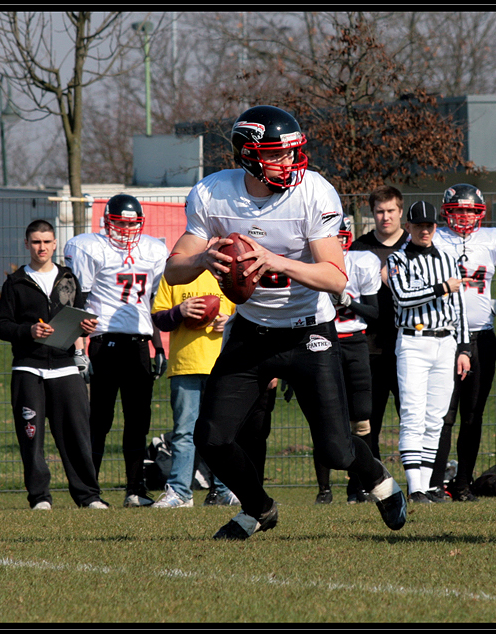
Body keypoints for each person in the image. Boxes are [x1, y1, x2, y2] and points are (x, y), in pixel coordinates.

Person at [164, 105, 407, 540]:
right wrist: (203, 258)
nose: (289, 163)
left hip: (309, 329)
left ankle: (378, 479)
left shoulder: (313, 192)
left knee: (335, 449)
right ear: (248, 155)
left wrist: (275, 260)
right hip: (253, 332)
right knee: (212, 437)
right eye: (277, 154)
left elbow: (334, 277)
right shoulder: (212, 193)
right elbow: (174, 269)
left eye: (293, 152)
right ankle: (259, 509)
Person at [0, 219, 107, 510]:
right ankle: (40, 498)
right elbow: (1, 326)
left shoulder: (68, 278)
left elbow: (79, 316)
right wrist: (28, 331)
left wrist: (85, 326)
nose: (41, 247)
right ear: (27, 244)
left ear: (55, 243)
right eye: (35, 242)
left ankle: (88, 496)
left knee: (76, 435)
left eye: (46, 242)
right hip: (28, 368)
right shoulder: (16, 282)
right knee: (31, 436)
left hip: (66, 367)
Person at [429, 183, 496, 502]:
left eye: (469, 211)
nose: (463, 217)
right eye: (457, 210)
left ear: (481, 213)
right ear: (447, 212)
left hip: (480, 335)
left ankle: (461, 483)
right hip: (443, 335)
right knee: (442, 414)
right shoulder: (432, 238)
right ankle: (433, 484)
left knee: (473, 414)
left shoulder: (493, 239)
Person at [64, 194, 169, 508]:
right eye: (120, 223)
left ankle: (135, 490)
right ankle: (89, 493)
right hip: (104, 343)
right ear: (107, 221)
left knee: (138, 420)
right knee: (100, 419)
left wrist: (158, 346)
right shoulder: (90, 247)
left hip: (138, 345)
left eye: (132, 223)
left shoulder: (152, 251)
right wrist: (77, 348)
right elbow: (77, 303)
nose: (126, 229)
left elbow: (150, 304)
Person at [387, 200, 471, 503]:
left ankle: (427, 485)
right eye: (419, 225)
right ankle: (415, 487)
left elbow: (458, 306)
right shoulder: (398, 259)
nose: (425, 230)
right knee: (412, 412)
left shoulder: (447, 258)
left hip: (445, 340)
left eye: (430, 225)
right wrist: (441, 288)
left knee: (437, 416)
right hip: (413, 340)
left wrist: (464, 347)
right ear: (407, 227)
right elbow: (403, 296)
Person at [150, 270, 242, 509]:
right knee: (184, 432)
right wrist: (179, 311)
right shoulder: (173, 275)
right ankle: (180, 493)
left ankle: (224, 490)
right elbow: (158, 319)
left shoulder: (229, 276)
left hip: (223, 365)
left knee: (221, 433)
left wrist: (231, 322)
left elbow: (248, 315)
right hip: (185, 366)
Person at [312, 214, 381, 505]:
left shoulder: (362, 262)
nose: (337, 242)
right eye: (333, 236)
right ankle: (324, 491)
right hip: (321, 343)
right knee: (322, 419)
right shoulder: (310, 261)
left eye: (341, 236)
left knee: (362, 417)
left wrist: (348, 301)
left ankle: (359, 485)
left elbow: (376, 314)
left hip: (354, 342)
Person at [349, 186, 410, 466]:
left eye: (390, 211)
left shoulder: (414, 244)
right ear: (372, 213)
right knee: (367, 418)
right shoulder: (359, 247)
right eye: (379, 211)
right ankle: (366, 480)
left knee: (409, 414)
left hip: (409, 345)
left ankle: (419, 482)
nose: (385, 217)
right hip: (369, 346)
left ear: (400, 212)